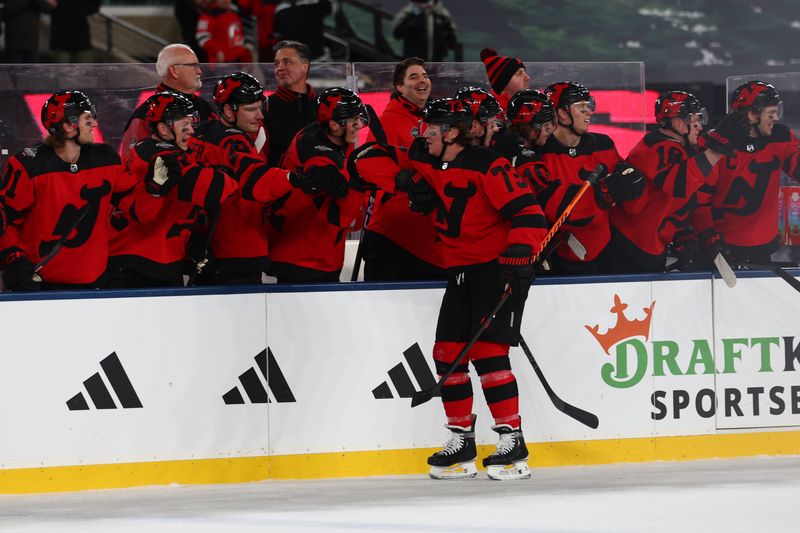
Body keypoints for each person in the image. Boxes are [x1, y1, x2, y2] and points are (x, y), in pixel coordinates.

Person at [355, 98, 548, 480]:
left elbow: (529, 213)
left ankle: (513, 440)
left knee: (489, 354)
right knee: (448, 355)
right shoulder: (426, 158)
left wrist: (520, 252)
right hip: (458, 271)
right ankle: (461, 440)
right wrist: (405, 180)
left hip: (494, 270)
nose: (422, 133)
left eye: (430, 128)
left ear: (452, 133)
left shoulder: (487, 165)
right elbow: (365, 157)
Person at [189, 72, 335, 285]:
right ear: (229, 110)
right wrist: (295, 178)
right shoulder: (234, 141)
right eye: (251, 109)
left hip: (206, 248)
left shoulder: (202, 132)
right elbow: (255, 180)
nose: (260, 115)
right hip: (237, 250)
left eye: (260, 107)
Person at [0, 91, 149, 291]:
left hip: (94, 283)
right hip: (38, 285)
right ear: (69, 126)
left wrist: (156, 189)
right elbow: (6, 219)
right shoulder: (27, 164)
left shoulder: (106, 158)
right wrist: (12, 258)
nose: (95, 125)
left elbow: (140, 211)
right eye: (88, 119)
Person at [607, 91, 749, 273]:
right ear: (678, 124)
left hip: (643, 246)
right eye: (695, 120)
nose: (700, 127)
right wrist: (716, 151)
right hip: (629, 248)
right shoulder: (659, 148)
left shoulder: (671, 146)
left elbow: (679, 201)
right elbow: (679, 184)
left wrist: (683, 234)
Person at [106, 92, 238, 288]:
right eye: (184, 126)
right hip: (143, 264)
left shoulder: (145, 148)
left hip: (132, 259)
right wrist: (225, 170)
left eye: (191, 125)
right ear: (163, 128)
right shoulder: (168, 157)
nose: (191, 131)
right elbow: (218, 190)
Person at [537, 81, 646, 275]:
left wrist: (633, 183)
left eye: (589, 105)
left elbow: (626, 195)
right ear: (561, 113)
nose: (589, 111)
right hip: (554, 257)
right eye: (581, 106)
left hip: (605, 252)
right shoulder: (540, 152)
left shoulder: (603, 144)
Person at [358, 57, 445, 281]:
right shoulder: (389, 120)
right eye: (413, 76)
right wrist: (401, 179)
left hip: (425, 237)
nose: (422, 80)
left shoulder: (435, 120)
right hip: (394, 236)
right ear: (399, 86)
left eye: (425, 75)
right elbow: (368, 159)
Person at [265, 87, 364, 283]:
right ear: (335, 125)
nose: (359, 125)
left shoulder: (320, 134)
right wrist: (361, 184)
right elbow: (344, 214)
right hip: (306, 258)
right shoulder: (320, 157)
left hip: (308, 253)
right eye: (354, 121)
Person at [701, 80, 800, 266]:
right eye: (771, 113)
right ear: (753, 115)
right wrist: (708, 237)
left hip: (763, 246)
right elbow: (699, 200)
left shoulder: (781, 137)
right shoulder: (716, 144)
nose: (776, 118)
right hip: (722, 248)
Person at [120, 43, 217, 161]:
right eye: (193, 65)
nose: (199, 71)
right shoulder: (146, 114)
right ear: (173, 71)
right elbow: (132, 163)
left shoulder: (203, 106)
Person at [265, 40, 317, 167]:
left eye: (286, 62)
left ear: (305, 66)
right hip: (280, 182)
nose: (280, 68)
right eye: (276, 64)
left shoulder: (324, 105)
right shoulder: (265, 107)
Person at [392, 0, 457, 62]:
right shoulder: (410, 13)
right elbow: (397, 34)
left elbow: (452, 41)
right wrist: (414, 16)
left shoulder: (442, 15)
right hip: (414, 62)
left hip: (436, 62)